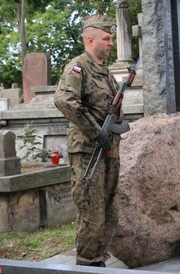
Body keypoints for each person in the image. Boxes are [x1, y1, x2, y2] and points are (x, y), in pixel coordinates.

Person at [54, 14, 122, 267]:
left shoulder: (106, 74)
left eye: (111, 39)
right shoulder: (78, 68)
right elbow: (64, 101)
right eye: (106, 38)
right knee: (91, 212)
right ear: (89, 39)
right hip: (88, 151)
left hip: (109, 150)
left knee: (109, 210)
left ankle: (99, 260)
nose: (110, 44)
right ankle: (87, 263)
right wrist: (96, 132)